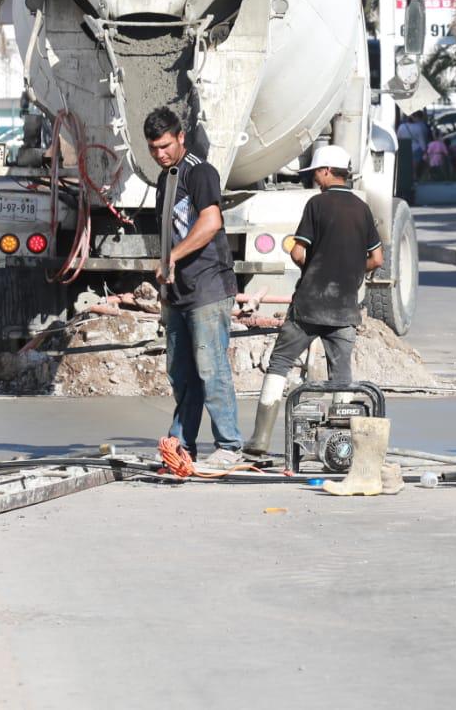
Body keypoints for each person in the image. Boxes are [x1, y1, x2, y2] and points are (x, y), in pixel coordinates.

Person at [245, 144, 384, 460]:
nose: (314, 180)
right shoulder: (362, 210)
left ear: (325, 171)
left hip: (309, 306)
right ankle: (339, 449)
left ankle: (260, 441)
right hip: (345, 309)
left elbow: (297, 251)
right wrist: (349, 270)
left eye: (315, 174)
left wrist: (310, 267)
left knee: (280, 362)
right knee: (342, 377)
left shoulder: (317, 205)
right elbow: (376, 258)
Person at [145, 106, 244, 469]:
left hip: (207, 286)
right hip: (179, 291)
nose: (161, 153)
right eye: (154, 148)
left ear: (181, 137)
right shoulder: (165, 178)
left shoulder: (199, 172)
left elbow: (210, 221)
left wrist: (171, 258)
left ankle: (230, 446)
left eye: (166, 145)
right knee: (182, 371)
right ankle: (182, 444)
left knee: (210, 367)